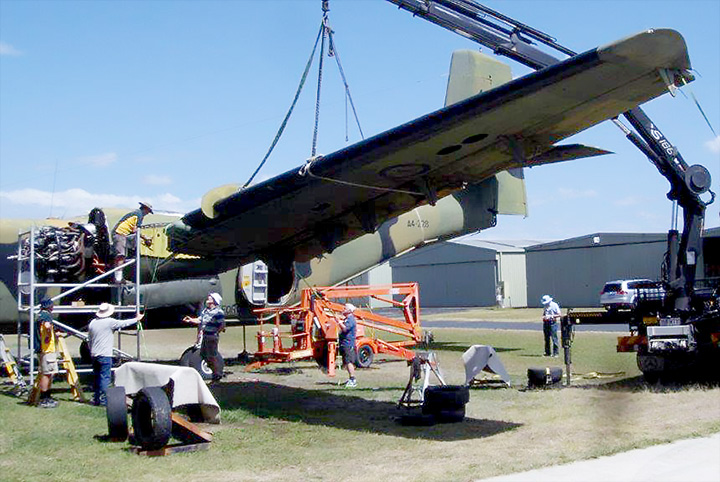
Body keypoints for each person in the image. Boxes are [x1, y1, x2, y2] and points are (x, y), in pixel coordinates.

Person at [87, 303, 144, 406]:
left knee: (96, 377)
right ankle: (104, 400)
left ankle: (96, 398)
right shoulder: (109, 322)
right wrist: (136, 319)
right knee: (105, 378)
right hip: (105, 354)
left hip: (94, 354)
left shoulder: (93, 323)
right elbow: (123, 323)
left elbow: (89, 340)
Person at [183, 292, 225, 382]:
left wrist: (216, 332)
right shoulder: (206, 311)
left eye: (210, 298)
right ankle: (215, 373)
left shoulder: (218, 312)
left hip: (212, 337)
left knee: (212, 356)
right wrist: (191, 320)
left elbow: (222, 325)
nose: (207, 299)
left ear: (214, 301)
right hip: (205, 336)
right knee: (204, 355)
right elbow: (200, 320)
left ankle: (217, 374)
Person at [111, 201, 153, 283]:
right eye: (148, 211)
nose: (148, 213)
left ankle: (118, 277)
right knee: (121, 255)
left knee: (121, 256)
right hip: (120, 233)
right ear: (145, 209)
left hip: (120, 233)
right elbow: (135, 230)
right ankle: (118, 278)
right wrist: (145, 238)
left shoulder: (135, 213)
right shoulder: (139, 215)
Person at [36, 298, 59, 408]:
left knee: (48, 373)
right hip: (47, 349)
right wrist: (49, 334)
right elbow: (47, 326)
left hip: (42, 349)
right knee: (47, 374)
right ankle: (44, 399)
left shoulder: (40, 314)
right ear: (49, 306)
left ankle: (47, 397)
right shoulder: (46, 315)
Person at [337, 303, 358, 388]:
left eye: (344, 308)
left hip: (348, 344)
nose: (343, 309)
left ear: (349, 311)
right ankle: (350, 378)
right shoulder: (346, 319)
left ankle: (353, 379)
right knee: (346, 362)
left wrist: (338, 322)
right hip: (344, 343)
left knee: (349, 362)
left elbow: (345, 329)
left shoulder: (351, 319)